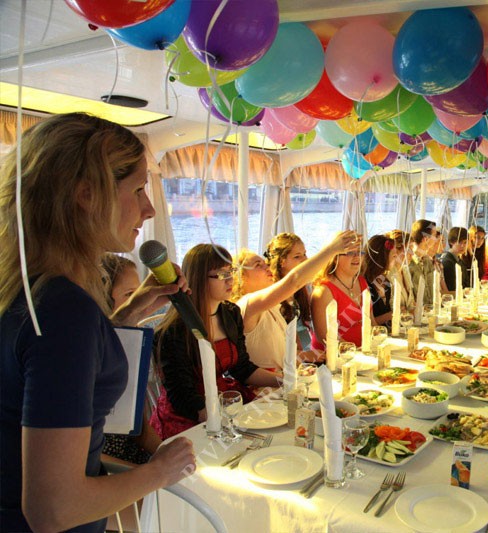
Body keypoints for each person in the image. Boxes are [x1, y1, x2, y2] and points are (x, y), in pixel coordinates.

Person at [0, 113, 194, 532]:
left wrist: (126, 315)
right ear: (87, 194)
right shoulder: (64, 311)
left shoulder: (30, 290)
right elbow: (54, 508)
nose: (149, 207)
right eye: (138, 189)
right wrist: (160, 471)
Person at [151, 244, 282, 440]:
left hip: (222, 401)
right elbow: (181, 396)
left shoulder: (230, 313)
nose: (230, 280)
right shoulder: (173, 332)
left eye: (231, 271)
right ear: (198, 279)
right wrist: (225, 424)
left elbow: (242, 368)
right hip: (190, 413)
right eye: (221, 275)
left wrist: (284, 379)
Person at [231, 230, 358, 371]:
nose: (267, 267)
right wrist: (332, 249)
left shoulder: (272, 307)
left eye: (264, 263)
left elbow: (285, 353)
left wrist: (303, 368)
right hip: (271, 383)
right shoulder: (247, 304)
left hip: (285, 377)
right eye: (258, 265)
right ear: (240, 278)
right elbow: (294, 281)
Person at [100, 254, 162, 466]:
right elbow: (82, 458)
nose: (139, 303)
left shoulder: (130, 346)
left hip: (136, 460)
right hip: (107, 470)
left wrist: (166, 452)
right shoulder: (86, 358)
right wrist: (149, 472)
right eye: (129, 295)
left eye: (140, 293)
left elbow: (139, 429)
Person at [310, 232, 371, 351]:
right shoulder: (323, 291)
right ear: (334, 257)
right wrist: (355, 353)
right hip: (332, 357)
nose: (357, 257)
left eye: (360, 252)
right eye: (350, 252)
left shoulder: (362, 282)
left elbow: (371, 322)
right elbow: (324, 336)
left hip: (363, 351)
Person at [363, 234, 398, 327]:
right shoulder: (364, 283)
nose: (396, 259)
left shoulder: (386, 282)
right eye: (394, 256)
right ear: (382, 258)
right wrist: (392, 314)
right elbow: (366, 321)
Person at [407, 219, 439, 305]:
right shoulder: (408, 263)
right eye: (435, 236)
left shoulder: (427, 261)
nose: (436, 239)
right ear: (426, 239)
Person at [440, 227, 468, 292]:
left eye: (465, 242)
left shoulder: (460, 261)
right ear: (451, 242)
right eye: (459, 242)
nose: (463, 246)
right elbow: (451, 288)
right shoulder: (447, 262)